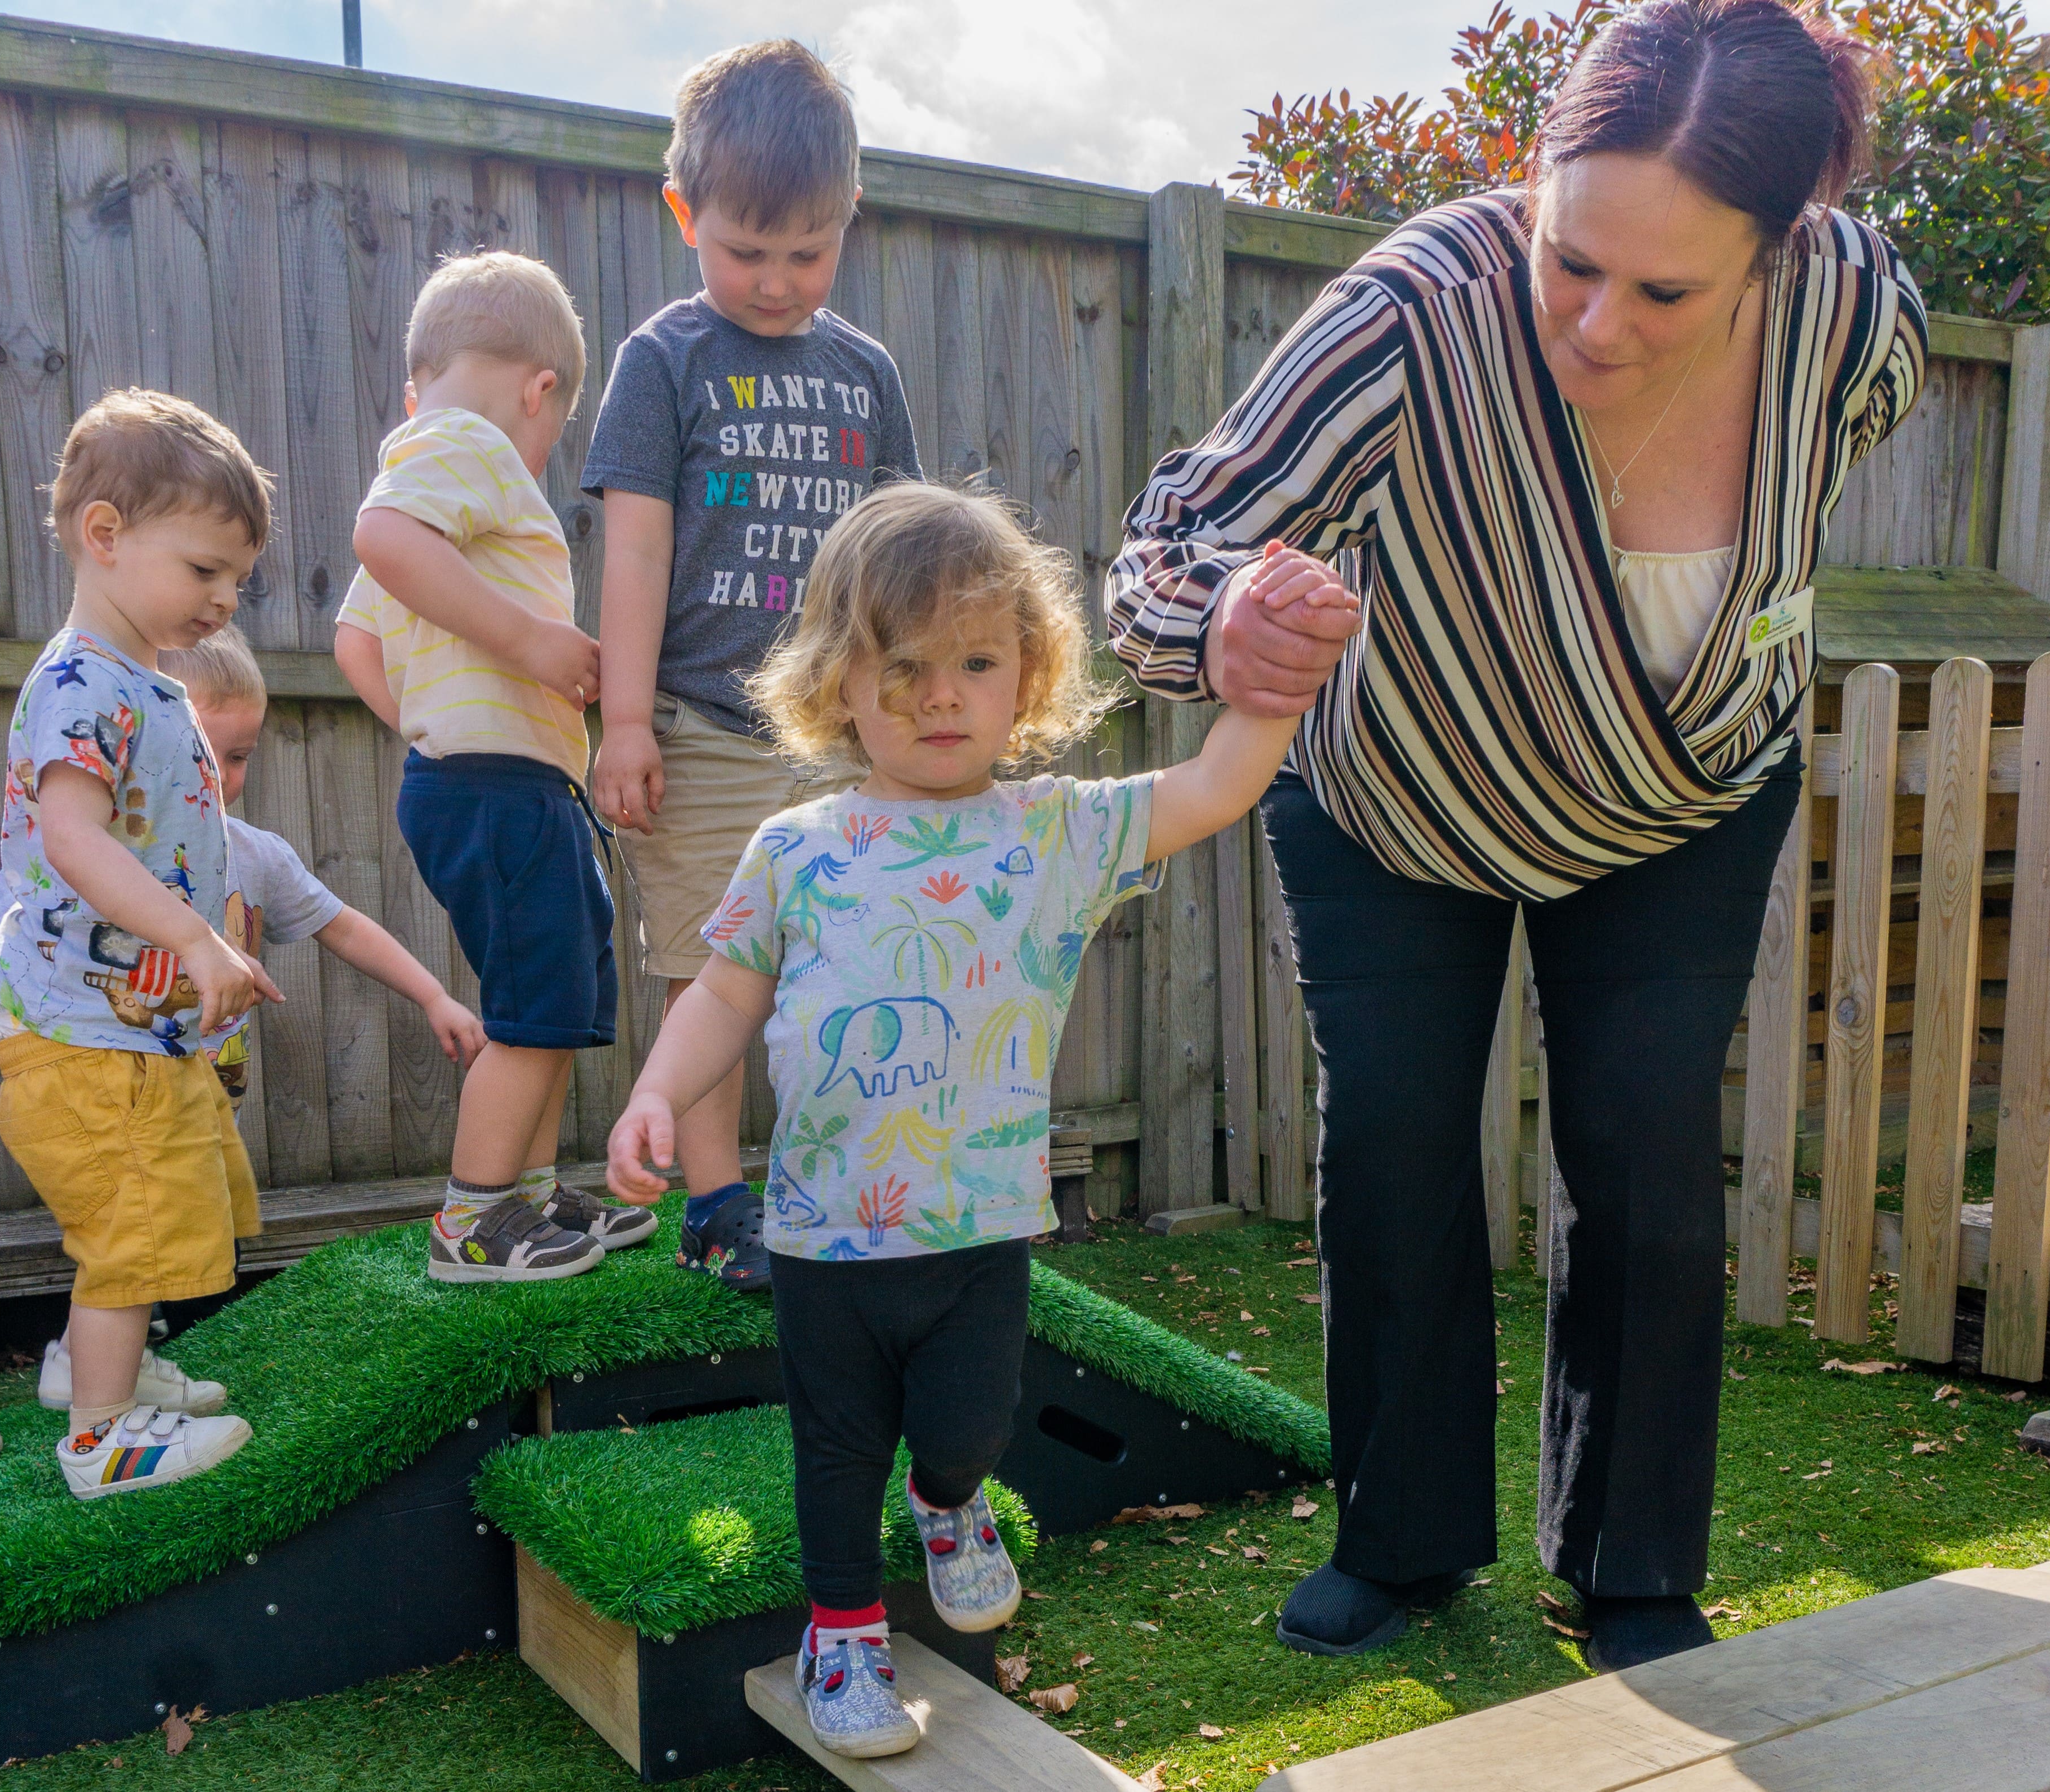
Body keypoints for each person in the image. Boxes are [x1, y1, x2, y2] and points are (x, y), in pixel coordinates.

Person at [1105, 0, 1924, 1671]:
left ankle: (1631, 1565)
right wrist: (1222, 631)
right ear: (1529, 190)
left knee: (1640, 1148)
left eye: (1667, 290)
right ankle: (1399, 1544)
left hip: (1683, 789)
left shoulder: (1860, 315)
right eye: (1569, 260)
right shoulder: (1410, 309)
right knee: (1398, 1139)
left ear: (1782, 248)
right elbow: (1165, 547)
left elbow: (1799, 498)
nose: (1599, 323)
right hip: (1405, 783)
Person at [603, 483, 1353, 1758]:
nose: (939, 694)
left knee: (968, 1430)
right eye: (900, 666)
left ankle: (949, 1505)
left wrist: (1273, 679)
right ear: (838, 681)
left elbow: (1217, 784)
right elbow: (723, 993)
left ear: (1029, 675)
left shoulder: (1053, 833)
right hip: (825, 1237)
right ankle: (839, 1636)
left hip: (978, 1228)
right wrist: (654, 1095)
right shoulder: (795, 848)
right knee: (834, 1453)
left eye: (974, 661)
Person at [585, 38, 922, 1295]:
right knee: (707, 972)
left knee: (850, 967)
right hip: (701, 726)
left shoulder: (865, 372)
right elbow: (633, 547)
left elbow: (897, 561)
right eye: (745, 250)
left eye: (807, 251)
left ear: (847, 220)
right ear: (684, 214)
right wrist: (626, 723)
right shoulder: (663, 360)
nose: (776, 282)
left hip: (835, 742)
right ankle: (718, 1205)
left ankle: (837, 1188)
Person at [0, 622, 491, 1411]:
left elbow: (342, 924)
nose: (219, 774)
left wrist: (433, 994)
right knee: (132, 1232)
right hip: (104, 1075)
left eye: (239, 755)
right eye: (205, 751)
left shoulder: (252, 853)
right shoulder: (80, 862)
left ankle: (96, 1362)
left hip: (203, 1090)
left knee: (155, 1234)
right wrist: (36, 1019)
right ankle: (103, 1421)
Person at [334, 251, 656, 1283]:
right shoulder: (467, 447)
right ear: (541, 390)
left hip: (491, 779)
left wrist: (425, 724)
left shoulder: (432, 467)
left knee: (557, 989)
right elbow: (378, 538)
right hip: (501, 784)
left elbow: (355, 642)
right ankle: (473, 1219)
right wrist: (531, 646)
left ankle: (525, 1193)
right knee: (532, 1005)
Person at [0, 388, 278, 1498]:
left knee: (148, 1205)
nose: (224, 598)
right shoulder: (75, 687)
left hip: (127, 1027)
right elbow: (72, 839)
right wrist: (192, 937)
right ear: (104, 536)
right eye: (204, 570)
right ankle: (102, 1439)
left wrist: (218, 948)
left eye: (236, 578)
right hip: (83, 1040)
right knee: (135, 1217)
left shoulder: (144, 683)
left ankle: (95, 1373)